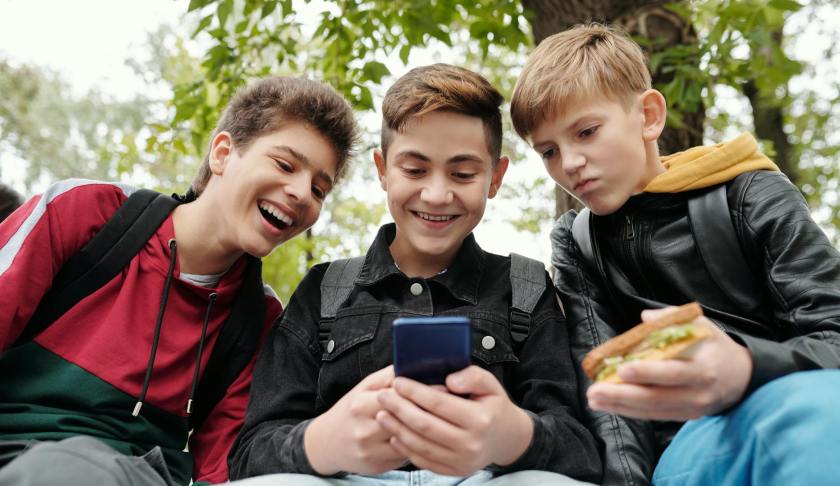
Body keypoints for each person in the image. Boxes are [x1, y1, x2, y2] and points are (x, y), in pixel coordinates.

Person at [228, 63, 602, 486]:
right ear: (383, 170)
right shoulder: (324, 290)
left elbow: (581, 451)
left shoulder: (526, 287)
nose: (437, 194)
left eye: (463, 174)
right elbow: (250, 453)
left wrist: (512, 436)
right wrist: (322, 441)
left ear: (495, 178)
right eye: (414, 170)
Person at [510, 23, 840, 486]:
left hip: (801, 407)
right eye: (548, 151)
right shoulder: (577, 242)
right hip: (686, 451)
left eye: (586, 132)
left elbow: (833, 331)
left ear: (648, 116)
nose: (568, 164)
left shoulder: (750, 193)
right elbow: (607, 397)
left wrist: (745, 367)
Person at [0, 76, 359, 485]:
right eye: (284, 164)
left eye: (318, 189)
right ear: (223, 153)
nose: (301, 193)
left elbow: (223, 468)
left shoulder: (257, 320)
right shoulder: (86, 213)